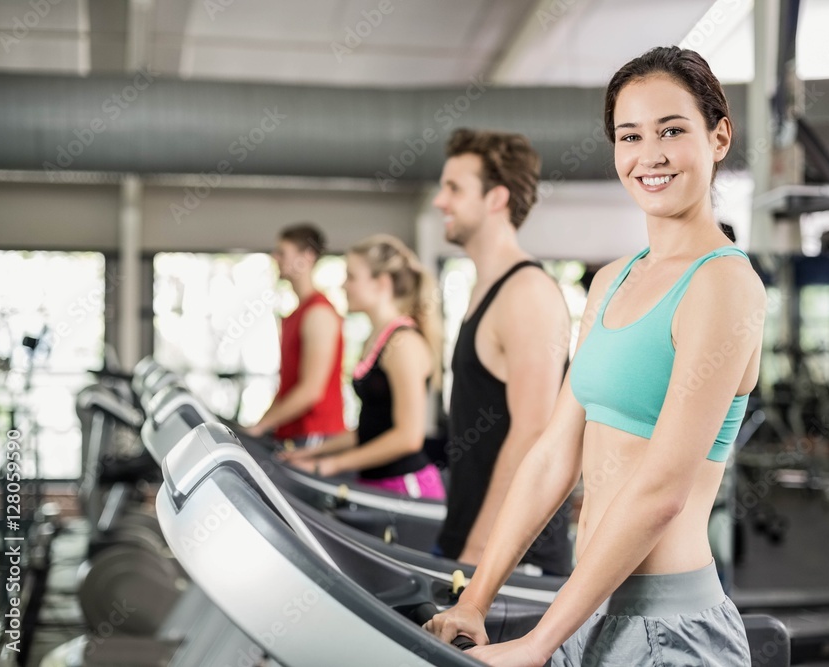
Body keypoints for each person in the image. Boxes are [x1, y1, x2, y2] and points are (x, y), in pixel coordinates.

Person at [424, 46, 765, 666]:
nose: (649, 155)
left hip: (670, 630)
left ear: (718, 138)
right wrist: (476, 596)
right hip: (588, 609)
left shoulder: (723, 284)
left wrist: (536, 643)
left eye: (671, 130)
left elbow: (661, 489)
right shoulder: (611, 282)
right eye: (629, 136)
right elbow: (553, 454)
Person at [432, 128, 573, 575]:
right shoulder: (487, 288)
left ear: (496, 198)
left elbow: (533, 432)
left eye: (454, 188)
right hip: (470, 542)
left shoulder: (527, 292)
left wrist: (479, 552)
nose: (440, 201)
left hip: (508, 559)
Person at [277, 235, 446, 500]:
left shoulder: (403, 344)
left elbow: (408, 437)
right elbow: (371, 429)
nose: (343, 285)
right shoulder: (376, 338)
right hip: (375, 483)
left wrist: (329, 465)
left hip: (406, 488)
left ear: (381, 283)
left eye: (351, 277)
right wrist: (312, 452)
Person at [248, 224, 345, 446]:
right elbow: (288, 388)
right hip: (292, 434)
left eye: (282, 252)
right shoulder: (296, 314)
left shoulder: (318, 313)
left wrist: (260, 427)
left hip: (314, 435)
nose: (275, 257)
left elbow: (311, 390)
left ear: (307, 257)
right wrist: (258, 426)